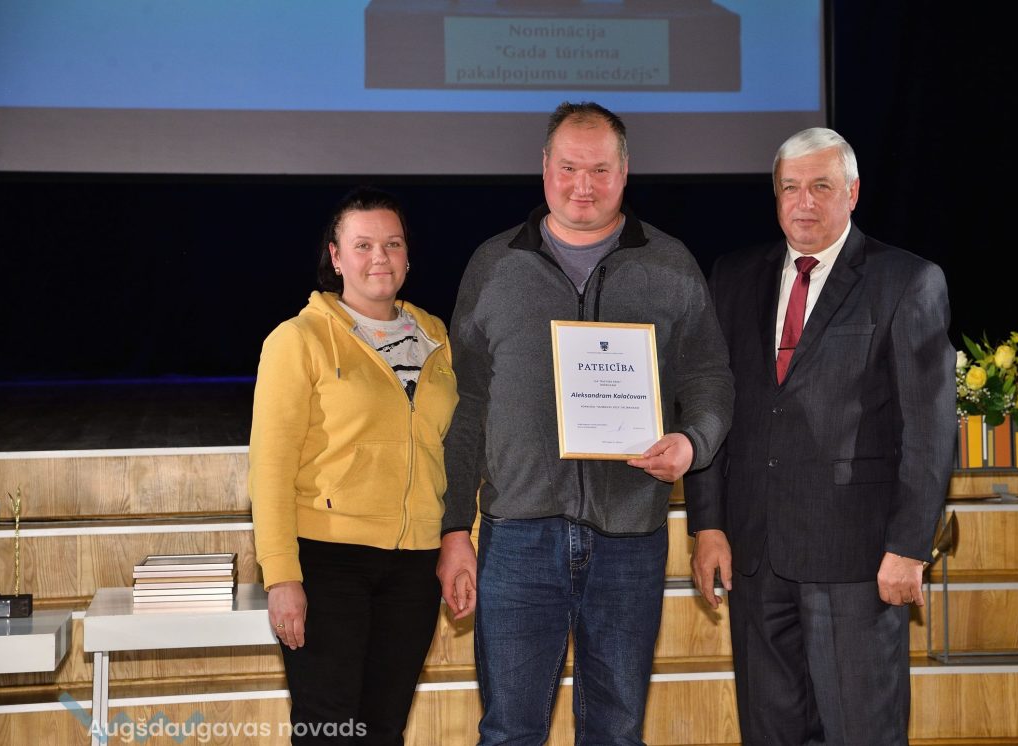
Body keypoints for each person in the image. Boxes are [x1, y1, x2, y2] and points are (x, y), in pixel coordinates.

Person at [436, 101, 733, 745]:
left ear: (625, 172)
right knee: (509, 732)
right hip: (517, 535)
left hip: (630, 535)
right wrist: (455, 527)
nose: (583, 186)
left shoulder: (670, 264)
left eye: (600, 170)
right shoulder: (495, 264)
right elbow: (467, 404)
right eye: (569, 168)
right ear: (544, 168)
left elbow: (709, 379)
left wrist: (692, 443)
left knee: (617, 732)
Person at [684, 128, 956, 746]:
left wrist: (910, 546)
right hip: (755, 557)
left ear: (852, 193)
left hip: (858, 561)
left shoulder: (907, 280)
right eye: (790, 188)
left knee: (863, 732)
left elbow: (929, 427)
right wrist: (709, 525)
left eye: (821, 187)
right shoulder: (733, 276)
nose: (804, 202)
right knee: (770, 733)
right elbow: (709, 404)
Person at [249, 187, 458, 744]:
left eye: (392, 244)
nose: (379, 257)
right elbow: (270, 467)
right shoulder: (298, 340)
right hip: (328, 562)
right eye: (362, 245)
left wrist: (463, 538)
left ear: (408, 255)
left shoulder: (438, 339)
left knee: (384, 729)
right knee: (329, 730)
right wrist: (281, 576)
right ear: (336, 257)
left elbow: (457, 450)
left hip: (415, 566)